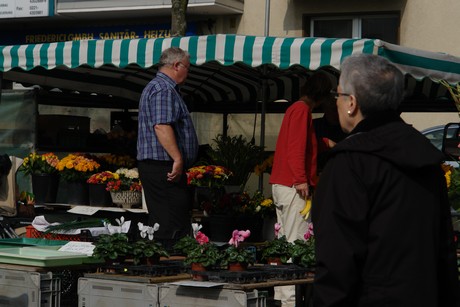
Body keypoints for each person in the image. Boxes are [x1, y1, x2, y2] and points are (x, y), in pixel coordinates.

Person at [312, 54, 460, 307]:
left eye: (337, 95)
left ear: (352, 103)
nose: (335, 103)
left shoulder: (349, 163)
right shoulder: (427, 159)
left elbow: (337, 263)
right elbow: (443, 253)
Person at [269, 70, 334, 307]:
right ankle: (289, 301)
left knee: (285, 240)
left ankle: (282, 297)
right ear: (323, 95)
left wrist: (327, 144)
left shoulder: (296, 109)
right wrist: (301, 179)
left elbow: (302, 144)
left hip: (283, 184)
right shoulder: (302, 110)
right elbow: (297, 148)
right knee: (296, 242)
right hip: (291, 185)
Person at [137, 47, 199, 249]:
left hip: (160, 166)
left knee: (166, 219)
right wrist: (178, 159)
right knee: (170, 223)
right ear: (176, 65)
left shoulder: (160, 88)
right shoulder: (163, 89)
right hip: (163, 166)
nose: (188, 73)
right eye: (188, 68)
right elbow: (162, 126)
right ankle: (169, 265)